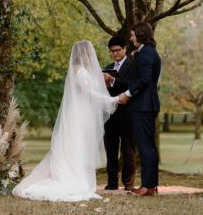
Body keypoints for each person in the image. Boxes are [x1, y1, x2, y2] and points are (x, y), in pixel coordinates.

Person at [13, 40, 119, 202]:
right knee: (77, 146)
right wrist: (113, 100)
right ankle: (74, 179)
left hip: (85, 113)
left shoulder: (86, 71)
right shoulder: (80, 71)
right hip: (80, 114)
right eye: (89, 52)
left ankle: (82, 179)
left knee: (82, 146)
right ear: (84, 54)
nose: (92, 55)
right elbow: (89, 93)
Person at [119, 22, 161, 196]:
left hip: (143, 105)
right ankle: (150, 185)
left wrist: (128, 94)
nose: (131, 38)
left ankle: (147, 186)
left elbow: (144, 79)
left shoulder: (145, 54)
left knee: (144, 147)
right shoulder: (147, 52)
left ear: (141, 35)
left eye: (133, 34)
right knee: (148, 146)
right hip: (146, 105)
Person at [103, 36, 136, 191]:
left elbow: (133, 85)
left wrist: (113, 81)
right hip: (110, 115)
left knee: (128, 149)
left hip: (128, 114)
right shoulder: (107, 67)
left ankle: (128, 182)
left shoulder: (132, 65)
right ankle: (112, 182)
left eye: (118, 50)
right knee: (110, 148)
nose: (115, 53)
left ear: (125, 49)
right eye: (112, 51)